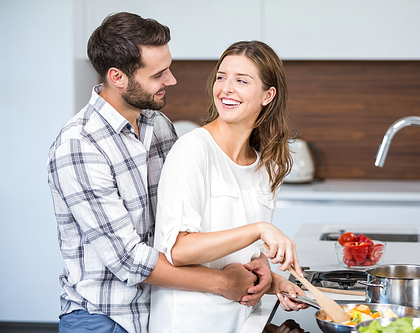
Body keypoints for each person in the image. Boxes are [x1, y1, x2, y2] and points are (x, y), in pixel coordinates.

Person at [47, 13, 283, 333]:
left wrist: (259, 268)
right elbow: (128, 260)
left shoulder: (158, 126)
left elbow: (182, 220)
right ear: (118, 77)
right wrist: (222, 282)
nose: (171, 80)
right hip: (104, 317)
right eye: (159, 74)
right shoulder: (79, 146)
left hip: (158, 307)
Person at [150, 40, 306, 333]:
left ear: (267, 95)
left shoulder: (266, 165)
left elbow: (241, 252)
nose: (226, 88)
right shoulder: (193, 150)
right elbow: (178, 250)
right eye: (221, 77)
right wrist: (260, 229)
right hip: (189, 323)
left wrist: (272, 280)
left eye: (241, 81)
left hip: (243, 319)